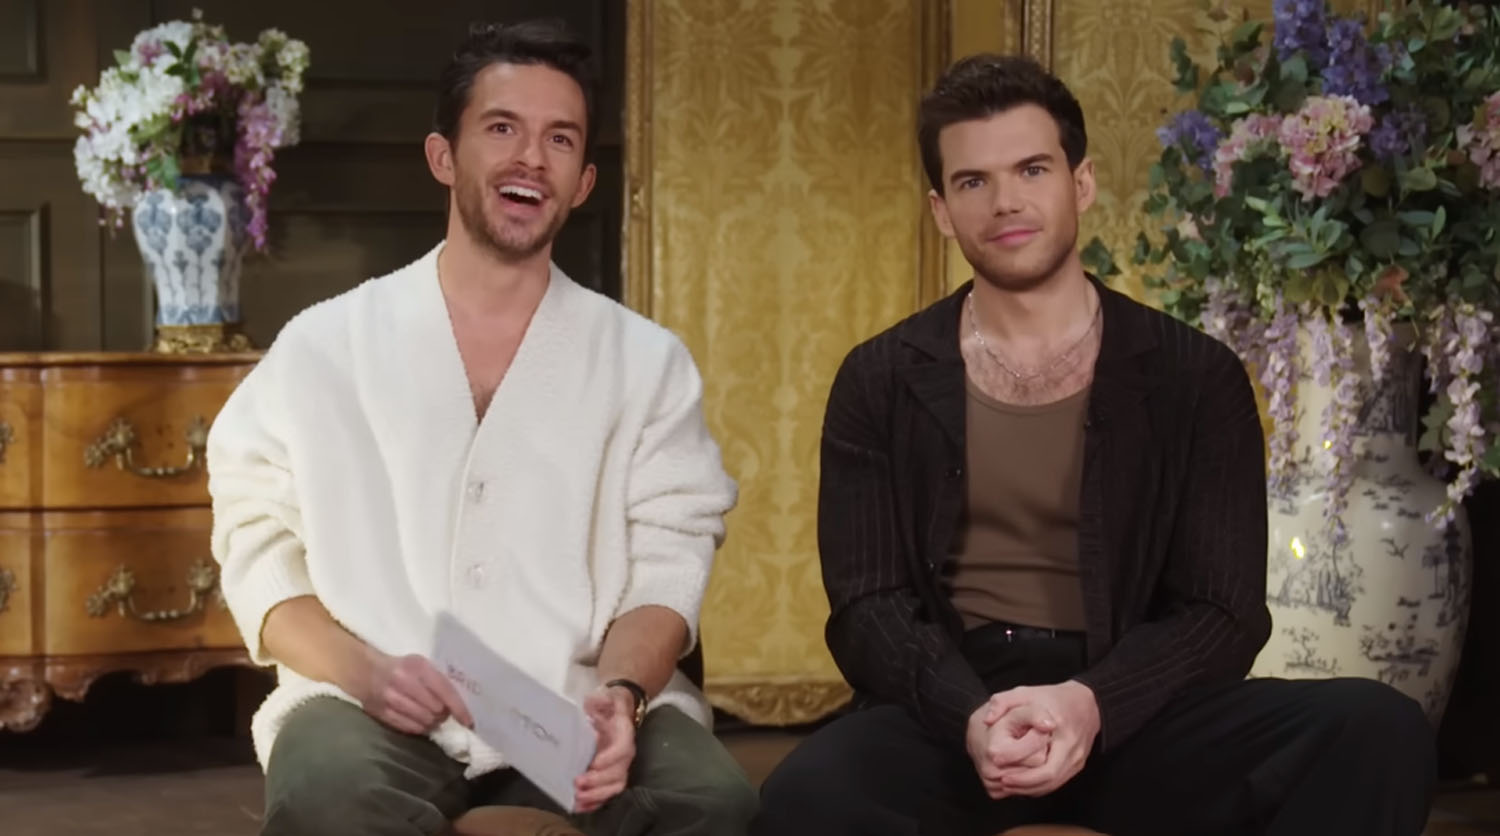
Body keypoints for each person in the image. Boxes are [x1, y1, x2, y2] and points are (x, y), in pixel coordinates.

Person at [753, 53, 1436, 836]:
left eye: (1032, 169)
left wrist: (1092, 702)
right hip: (952, 715)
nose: (1005, 202)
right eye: (973, 182)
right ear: (941, 210)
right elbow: (867, 608)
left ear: (1081, 183)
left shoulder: (1195, 375)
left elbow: (1223, 611)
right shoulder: (879, 378)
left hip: (1139, 713)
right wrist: (971, 716)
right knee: (807, 797)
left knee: (1377, 731)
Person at [207, 19, 757, 836]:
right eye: (502, 129)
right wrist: (364, 673)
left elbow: (667, 567)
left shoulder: (648, 364)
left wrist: (622, 695)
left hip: (574, 700)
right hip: (366, 700)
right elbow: (256, 550)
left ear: (583, 181)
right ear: (443, 157)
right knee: (331, 800)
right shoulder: (323, 346)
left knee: (710, 804)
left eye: (559, 139)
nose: (531, 158)